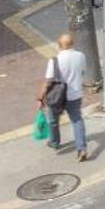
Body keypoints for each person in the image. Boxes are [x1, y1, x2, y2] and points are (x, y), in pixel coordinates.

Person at [37, 32, 92, 161]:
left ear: (59, 45)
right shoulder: (80, 56)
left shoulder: (54, 60)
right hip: (75, 95)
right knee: (77, 120)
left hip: (57, 97)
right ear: (72, 44)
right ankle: (82, 148)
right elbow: (82, 71)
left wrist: (40, 98)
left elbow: (48, 82)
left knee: (53, 120)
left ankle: (55, 142)